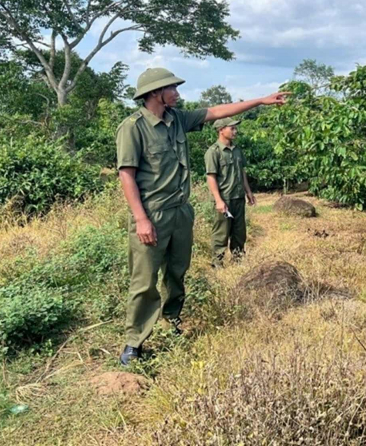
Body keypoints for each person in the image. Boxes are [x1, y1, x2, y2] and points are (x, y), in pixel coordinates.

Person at [115, 67, 288, 366]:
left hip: (181, 212)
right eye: (173, 89)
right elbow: (126, 175)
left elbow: (218, 110)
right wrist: (141, 219)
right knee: (144, 281)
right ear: (156, 93)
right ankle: (135, 343)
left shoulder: (178, 119)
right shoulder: (132, 127)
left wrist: (260, 101)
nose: (178, 94)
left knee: (177, 272)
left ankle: (172, 322)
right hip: (152, 214)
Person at [204, 118, 256, 268]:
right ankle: (217, 264)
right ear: (221, 130)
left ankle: (238, 261)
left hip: (238, 197)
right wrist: (218, 200)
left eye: (235, 128)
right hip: (224, 199)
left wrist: (248, 192)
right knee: (221, 233)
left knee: (239, 233)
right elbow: (211, 177)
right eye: (232, 128)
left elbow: (242, 172)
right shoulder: (213, 152)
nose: (235, 131)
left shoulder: (237, 150)